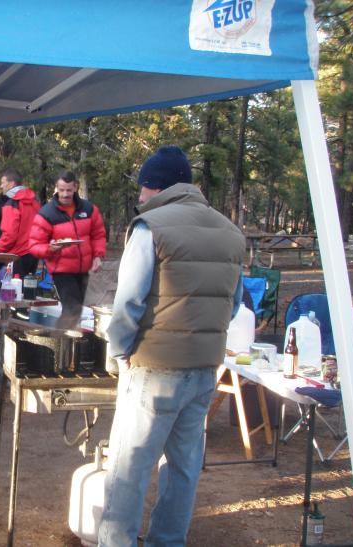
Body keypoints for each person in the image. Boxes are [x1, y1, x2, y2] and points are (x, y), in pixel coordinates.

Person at [98, 145, 245, 547]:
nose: (140, 196)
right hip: (204, 370)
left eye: (142, 188)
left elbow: (128, 302)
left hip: (154, 368)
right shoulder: (231, 233)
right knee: (183, 468)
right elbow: (233, 305)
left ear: (155, 187)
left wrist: (118, 352)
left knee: (128, 469)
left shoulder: (150, 226)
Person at [28, 169, 106, 329]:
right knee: (72, 309)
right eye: (61, 190)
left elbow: (98, 234)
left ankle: (64, 339)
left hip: (83, 269)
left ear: (75, 187)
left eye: (69, 190)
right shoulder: (47, 213)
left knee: (76, 311)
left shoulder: (88, 209)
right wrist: (50, 248)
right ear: (56, 188)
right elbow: (34, 246)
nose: (65, 194)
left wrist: (98, 256)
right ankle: (59, 339)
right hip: (61, 269)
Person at [0, 168, 40, 278]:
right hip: (34, 255)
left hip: (17, 256)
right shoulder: (35, 202)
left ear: (11, 184)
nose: (1, 186)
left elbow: (9, 235)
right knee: (29, 287)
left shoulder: (12, 204)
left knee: (14, 288)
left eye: (3, 183)